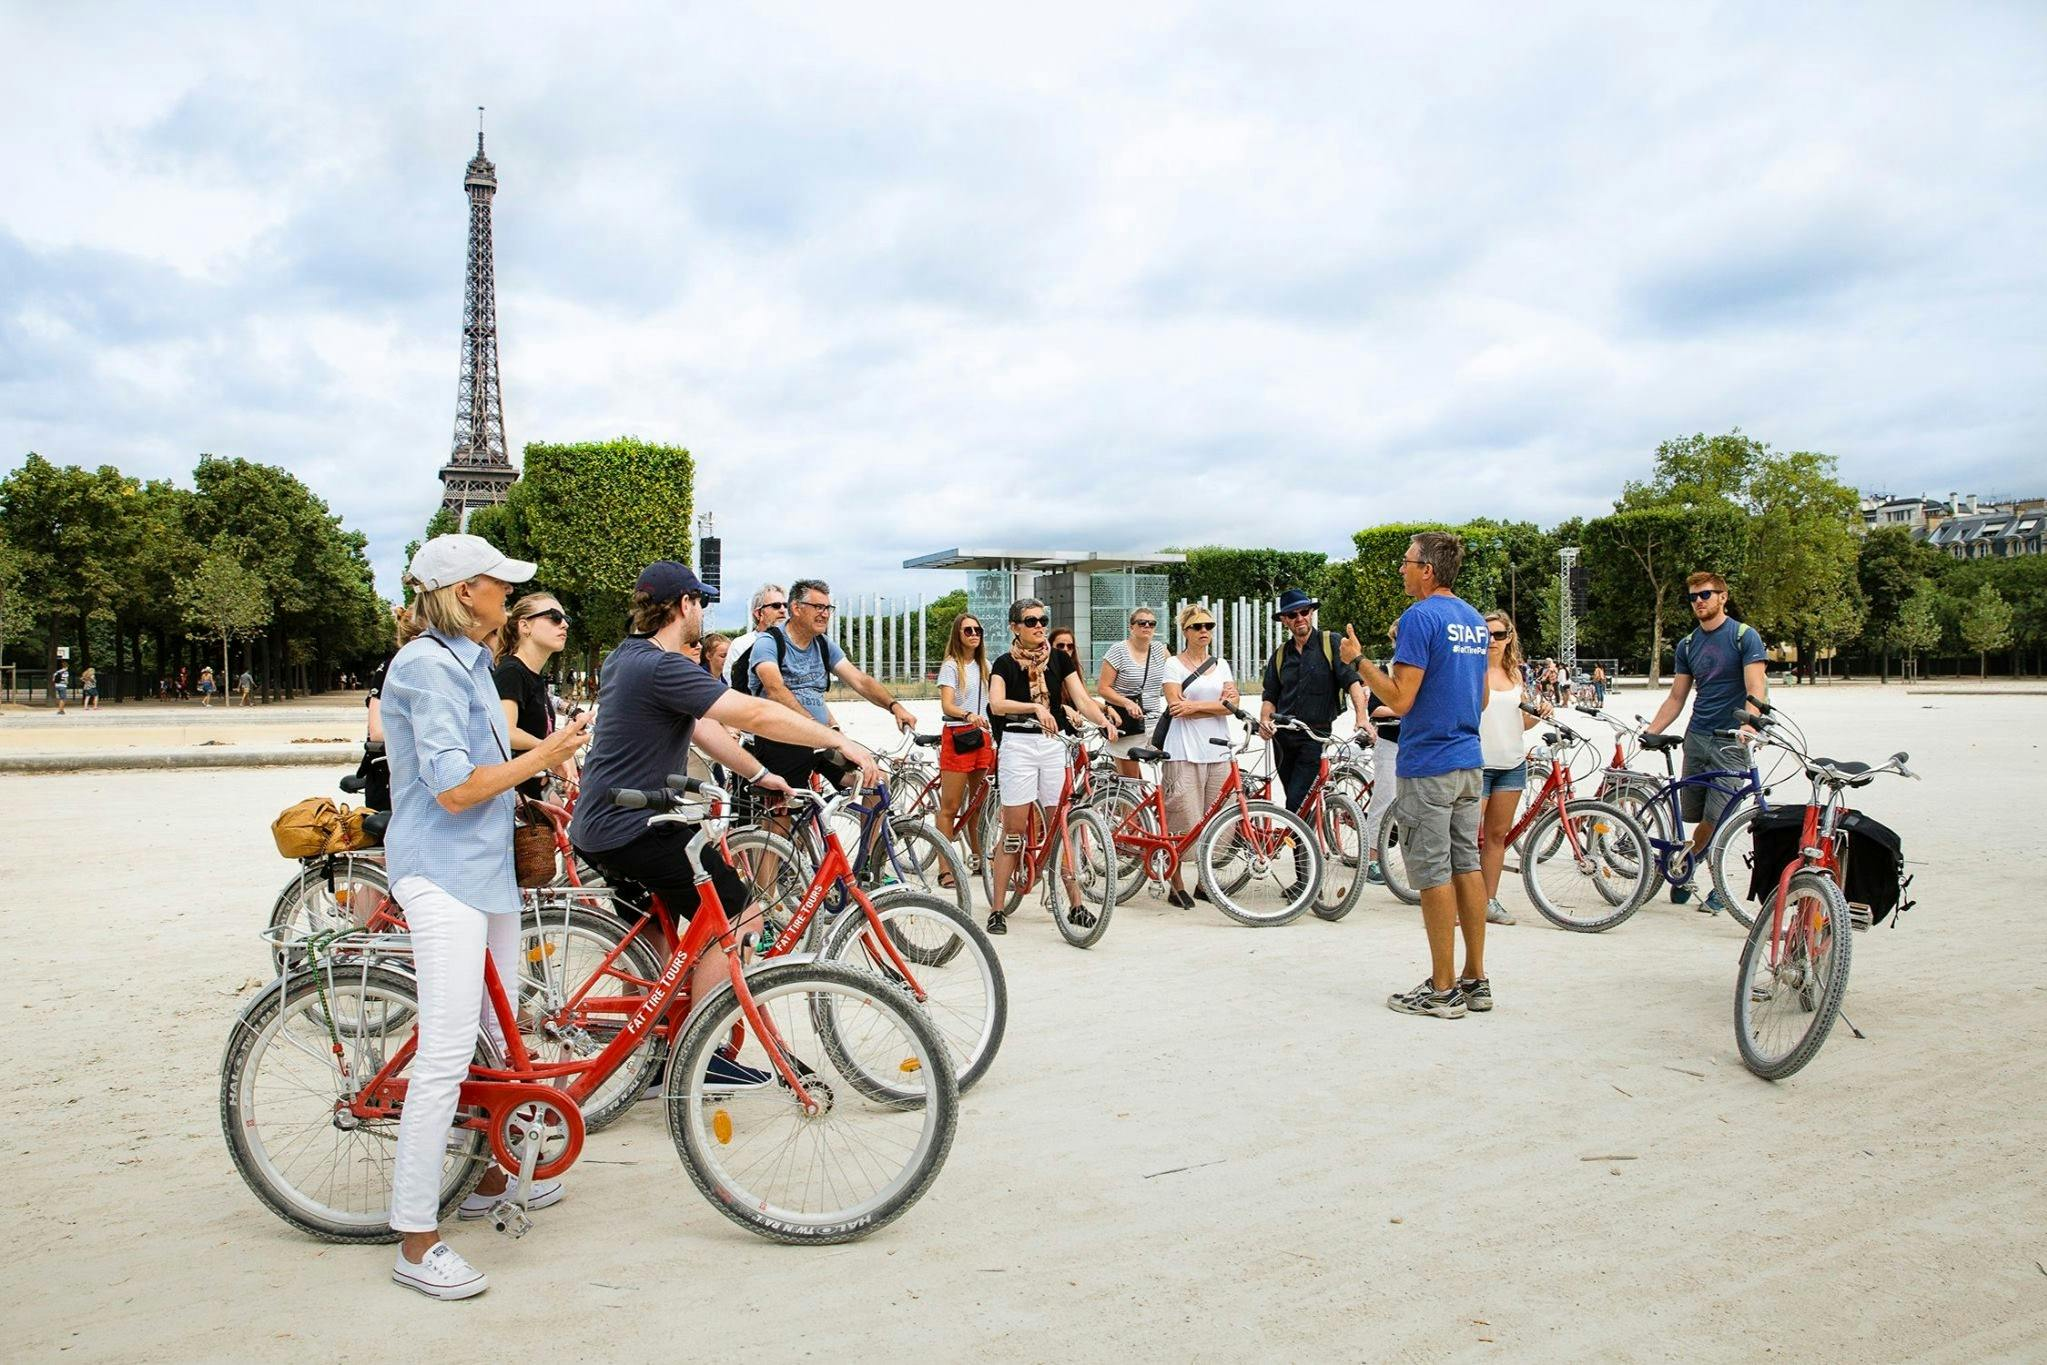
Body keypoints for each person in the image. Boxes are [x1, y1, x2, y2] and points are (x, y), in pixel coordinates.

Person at [379, 533, 594, 1300]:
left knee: (501, 1041)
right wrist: (544, 758)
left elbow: (482, 780)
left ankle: (488, 1180)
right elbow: (451, 788)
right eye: (500, 583)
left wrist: (523, 791)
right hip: (441, 870)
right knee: (443, 1055)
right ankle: (415, 1239)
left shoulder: (466, 659)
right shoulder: (426, 666)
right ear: (465, 590)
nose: (509, 594)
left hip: (483, 866)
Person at [569, 561, 880, 1031]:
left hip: (599, 824)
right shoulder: (662, 665)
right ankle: (703, 1051)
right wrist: (836, 740)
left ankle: (647, 1051)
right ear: (683, 605)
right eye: (702, 603)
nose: (704, 614)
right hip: (636, 827)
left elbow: (702, 726)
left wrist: (757, 772)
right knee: (741, 919)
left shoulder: (624, 657)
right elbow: (753, 712)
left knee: (654, 944)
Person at [1341, 532, 1491, 1020]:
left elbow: (1401, 700)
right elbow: (1483, 698)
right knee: (1467, 864)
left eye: (1406, 562)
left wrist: (1359, 662)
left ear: (1427, 569)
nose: (1401, 569)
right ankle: (1475, 978)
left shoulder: (1419, 617)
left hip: (1429, 762)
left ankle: (1442, 989)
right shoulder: (1472, 619)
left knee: (1432, 872)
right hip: (1470, 758)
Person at [984, 597, 1120, 935]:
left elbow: (1083, 700)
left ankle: (1075, 904)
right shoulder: (1003, 663)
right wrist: (1034, 709)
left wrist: (1103, 722)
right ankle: (998, 908)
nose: (1039, 626)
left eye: (1042, 620)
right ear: (1015, 627)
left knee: (1060, 823)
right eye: (1030, 621)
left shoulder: (1058, 659)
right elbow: (997, 704)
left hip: (1052, 745)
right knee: (1014, 828)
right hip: (1018, 743)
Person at [1644, 570, 1768, 913]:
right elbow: (1677, 696)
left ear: (1723, 596)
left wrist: (1750, 728)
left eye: (1706, 595)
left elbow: (1756, 688)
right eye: (1693, 597)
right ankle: (1689, 861)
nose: (1699, 602)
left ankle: (1719, 887)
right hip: (1697, 737)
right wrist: (1652, 730)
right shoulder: (1688, 644)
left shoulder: (1744, 637)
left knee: (1723, 816)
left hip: (1731, 740)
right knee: (1695, 814)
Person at [748, 578, 915, 792]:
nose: (825, 613)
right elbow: (775, 690)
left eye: (828, 608)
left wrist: (895, 706)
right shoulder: (769, 642)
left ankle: (864, 827)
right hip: (782, 741)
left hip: (821, 741)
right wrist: (814, 727)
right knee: (785, 812)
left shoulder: (823, 644)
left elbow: (860, 680)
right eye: (818, 607)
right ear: (796, 608)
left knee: (876, 782)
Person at [1258, 588, 1370, 813]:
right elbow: (1270, 695)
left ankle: (1304, 846)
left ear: (1311, 613)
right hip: (1282, 739)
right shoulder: (1280, 655)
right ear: (1284, 620)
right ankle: (1305, 846)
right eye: (1292, 615)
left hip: (1314, 736)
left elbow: (1352, 682)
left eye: (1304, 611)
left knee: (1295, 803)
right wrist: (1264, 721)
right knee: (1298, 802)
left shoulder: (1330, 643)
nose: (1299, 618)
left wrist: (1361, 717)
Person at [1158, 605, 1238, 907]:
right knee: (1182, 817)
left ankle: (1207, 882)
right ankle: (1175, 882)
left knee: (1219, 818)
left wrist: (1194, 707)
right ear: (1185, 631)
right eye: (1196, 627)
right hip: (1183, 750)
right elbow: (1174, 704)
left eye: (1208, 625)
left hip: (1218, 749)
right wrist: (1215, 706)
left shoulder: (1222, 664)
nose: (1204, 631)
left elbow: (1233, 702)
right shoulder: (1174, 665)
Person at [1477, 611, 1548, 927]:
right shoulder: (1470, 669)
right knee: (1464, 837)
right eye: (1486, 635)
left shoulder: (1518, 675)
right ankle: (1459, 903)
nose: (1493, 641)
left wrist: (1541, 713)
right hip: (1476, 764)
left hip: (1512, 764)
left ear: (1510, 637)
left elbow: (1522, 721)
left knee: (1496, 837)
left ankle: (1488, 901)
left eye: (1499, 635)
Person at [493, 592, 574, 801]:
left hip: (533, 794)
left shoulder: (533, 676)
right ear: (524, 626)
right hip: (513, 801)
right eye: (555, 617)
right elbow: (506, 732)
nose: (564, 624)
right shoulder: (511, 671)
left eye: (566, 619)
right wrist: (554, 750)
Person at [934, 614, 997, 878]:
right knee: (950, 805)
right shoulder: (952, 665)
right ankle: (945, 867)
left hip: (982, 737)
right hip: (959, 735)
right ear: (958, 635)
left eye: (977, 630)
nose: (973, 634)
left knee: (978, 805)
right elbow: (947, 705)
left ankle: (979, 858)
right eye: (967, 630)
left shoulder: (986, 665)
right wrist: (967, 714)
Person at [1099, 607, 1168, 779]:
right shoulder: (1118, 651)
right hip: (1129, 722)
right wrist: (1127, 702)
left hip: (1155, 721)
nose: (1147, 626)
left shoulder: (1161, 650)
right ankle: (1126, 804)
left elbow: (1174, 680)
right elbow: (1103, 688)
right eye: (1141, 623)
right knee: (1131, 781)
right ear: (1131, 627)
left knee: (1172, 768)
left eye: (1151, 624)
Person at [724, 584, 789, 689]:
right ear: (758, 613)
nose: (783, 610)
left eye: (785, 605)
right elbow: (732, 683)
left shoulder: (796, 643)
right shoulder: (741, 644)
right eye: (776, 605)